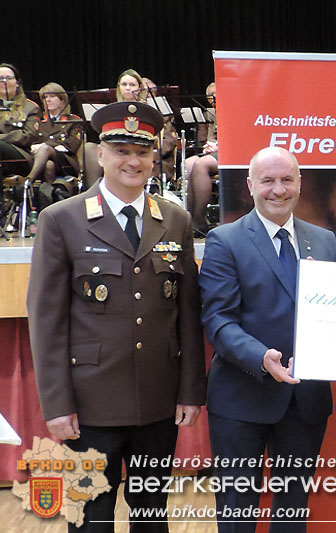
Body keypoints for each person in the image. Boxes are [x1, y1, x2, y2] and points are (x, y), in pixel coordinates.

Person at [27, 100, 206, 533]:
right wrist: (57, 403)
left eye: (142, 152)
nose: (133, 160)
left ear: (154, 157)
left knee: (151, 517)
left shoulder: (175, 220)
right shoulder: (62, 220)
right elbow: (46, 319)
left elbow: (187, 314)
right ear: (100, 154)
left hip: (159, 402)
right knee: (91, 519)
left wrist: (190, 391)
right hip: (90, 406)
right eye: (121, 150)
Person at [199, 146, 336, 533]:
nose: (278, 189)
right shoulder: (224, 240)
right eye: (268, 181)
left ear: (300, 183)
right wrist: (261, 357)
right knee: (236, 514)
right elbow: (218, 320)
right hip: (241, 399)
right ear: (249, 186)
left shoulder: (324, 241)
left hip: (305, 401)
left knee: (293, 512)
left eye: (287, 180)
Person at [27, 82, 83, 186]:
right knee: (49, 165)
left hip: (66, 163)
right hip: (41, 163)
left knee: (45, 149)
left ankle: (28, 181)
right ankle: (48, 197)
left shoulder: (73, 120)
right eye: (45, 97)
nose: (47, 100)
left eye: (52, 96)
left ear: (62, 100)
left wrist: (45, 145)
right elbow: (31, 143)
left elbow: (71, 145)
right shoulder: (38, 120)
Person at [186, 82, 218, 234]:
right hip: (215, 150)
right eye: (210, 96)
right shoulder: (211, 113)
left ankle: (199, 219)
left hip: (231, 150)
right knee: (188, 163)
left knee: (201, 165)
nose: (214, 99)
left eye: (216, 95)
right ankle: (189, 219)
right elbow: (210, 138)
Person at [0, 63, 41, 177]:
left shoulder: (30, 107)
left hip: (22, 156)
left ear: (17, 83)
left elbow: (27, 137)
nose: (4, 81)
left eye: (8, 78)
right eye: (0, 78)